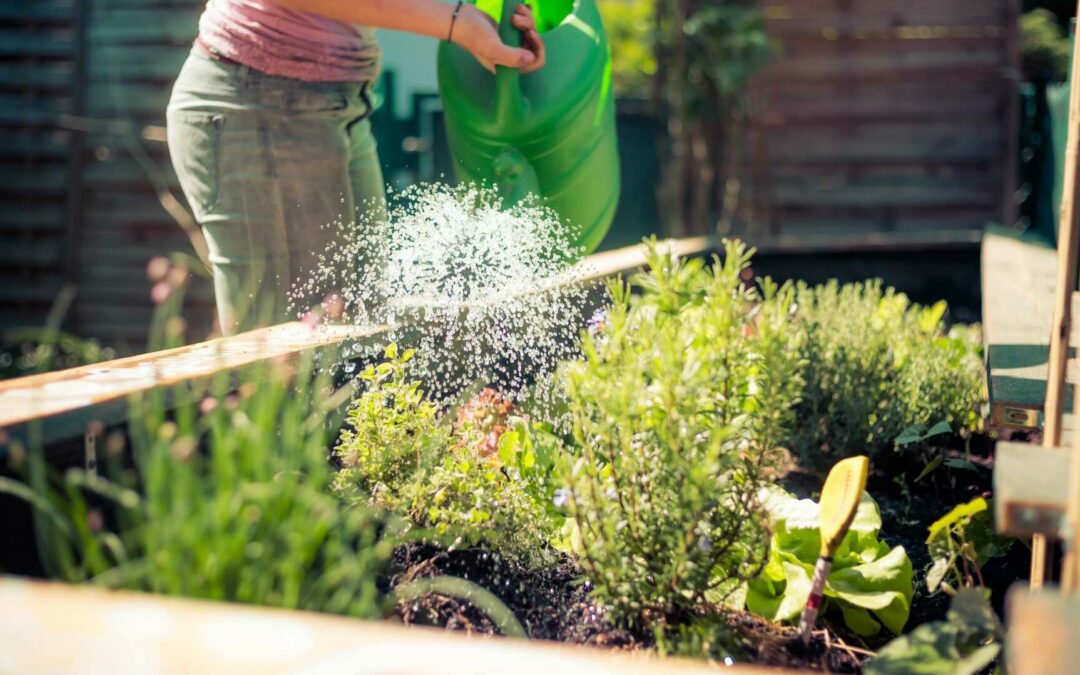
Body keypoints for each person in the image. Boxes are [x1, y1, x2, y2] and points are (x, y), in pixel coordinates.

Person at [167, 0, 546, 334]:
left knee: (360, 328)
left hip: (335, 101)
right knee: (292, 362)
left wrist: (490, 30)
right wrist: (457, 23)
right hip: (258, 101)